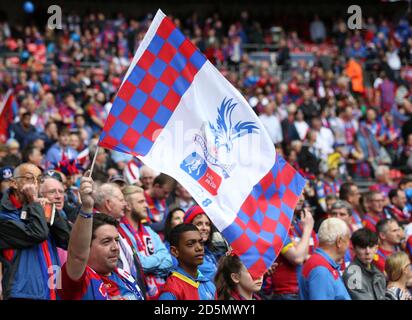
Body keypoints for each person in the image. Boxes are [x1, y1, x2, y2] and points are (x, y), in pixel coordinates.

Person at [57, 172, 144, 300]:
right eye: (106, 241)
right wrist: (87, 207)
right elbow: (76, 256)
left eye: (116, 240)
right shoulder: (79, 279)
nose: (115, 248)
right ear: (87, 247)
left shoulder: (125, 276)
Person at [0, 163, 71, 299]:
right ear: (14, 183)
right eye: (29, 178)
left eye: (38, 179)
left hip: (52, 289)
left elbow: (67, 240)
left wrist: (52, 213)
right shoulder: (4, 215)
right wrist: (34, 202)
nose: (35, 184)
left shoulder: (40, 208)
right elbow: (38, 234)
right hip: (23, 293)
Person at [120, 185, 173, 300]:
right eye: (141, 202)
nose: (146, 205)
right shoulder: (120, 232)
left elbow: (168, 260)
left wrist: (148, 265)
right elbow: (138, 265)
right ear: (128, 206)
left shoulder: (149, 231)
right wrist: (158, 259)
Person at [94, 182, 146, 294]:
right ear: (108, 203)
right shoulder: (90, 227)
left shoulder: (117, 225)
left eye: (116, 240)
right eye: (121, 200)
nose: (125, 204)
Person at [263, 197, 315, 300]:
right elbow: (297, 258)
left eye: (303, 193)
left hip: (307, 290)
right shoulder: (276, 225)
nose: (302, 198)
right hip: (287, 294)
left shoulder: (302, 224)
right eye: (298, 192)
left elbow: (317, 257)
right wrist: (308, 230)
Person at [158, 223, 216, 300]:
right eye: (190, 244)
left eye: (201, 242)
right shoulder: (171, 291)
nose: (199, 248)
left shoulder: (209, 284)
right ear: (175, 251)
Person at [299, 218, 351, 300]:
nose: (349, 245)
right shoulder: (321, 269)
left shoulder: (322, 264)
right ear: (339, 241)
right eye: (348, 239)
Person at [183, 205, 224, 282]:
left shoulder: (209, 251)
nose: (205, 228)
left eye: (207, 224)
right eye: (199, 224)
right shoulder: (185, 254)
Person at [342, 228, 386, 300]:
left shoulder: (377, 270)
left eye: (371, 246)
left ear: (376, 248)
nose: (367, 252)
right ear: (354, 249)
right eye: (362, 247)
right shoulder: (352, 274)